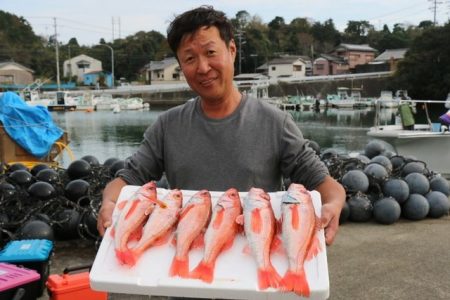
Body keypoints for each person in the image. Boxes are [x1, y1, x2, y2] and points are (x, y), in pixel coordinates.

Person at [97, 6, 345, 247]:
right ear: (181, 66)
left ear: (232, 51)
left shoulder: (275, 123)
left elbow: (323, 183)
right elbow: (129, 178)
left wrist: (333, 205)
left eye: (211, 52)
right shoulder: (167, 126)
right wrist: (109, 201)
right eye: (190, 59)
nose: (203, 68)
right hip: (187, 273)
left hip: (252, 267)